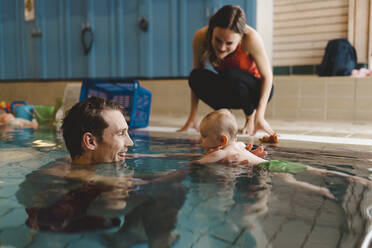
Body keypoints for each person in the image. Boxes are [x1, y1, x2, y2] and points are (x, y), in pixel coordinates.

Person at [15, 96, 186, 248]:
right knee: (167, 188)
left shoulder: (90, 164)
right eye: (121, 134)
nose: (131, 143)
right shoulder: (54, 179)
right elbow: (30, 198)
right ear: (90, 141)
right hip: (61, 229)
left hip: (95, 219)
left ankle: (133, 234)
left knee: (161, 186)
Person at [195, 109, 372, 197]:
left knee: (291, 182)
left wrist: (203, 158)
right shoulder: (240, 145)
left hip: (267, 169)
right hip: (273, 163)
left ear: (222, 141)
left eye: (204, 136)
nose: (200, 141)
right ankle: (361, 180)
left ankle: (321, 190)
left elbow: (200, 163)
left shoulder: (220, 153)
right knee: (312, 169)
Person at [178, 5, 275, 136]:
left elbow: (267, 77)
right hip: (232, 86)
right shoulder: (200, 37)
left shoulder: (251, 38)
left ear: (240, 38)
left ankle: (250, 117)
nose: (222, 48)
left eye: (229, 43)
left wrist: (260, 116)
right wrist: (192, 117)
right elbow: (197, 81)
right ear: (211, 32)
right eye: (218, 40)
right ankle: (227, 117)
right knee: (195, 76)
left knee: (230, 74)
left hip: (255, 91)